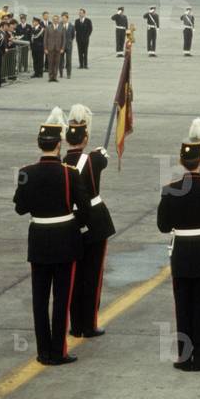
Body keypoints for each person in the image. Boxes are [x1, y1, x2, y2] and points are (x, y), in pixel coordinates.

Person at [12, 107, 91, 366]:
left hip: (39, 238)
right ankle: (58, 350)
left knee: (39, 298)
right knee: (61, 298)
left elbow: (20, 207)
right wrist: (74, 223)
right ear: (59, 144)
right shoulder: (70, 173)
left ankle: (43, 351)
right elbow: (85, 208)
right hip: (65, 238)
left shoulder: (26, 172)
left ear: (40, 144)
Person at [157, 118, 200, 371]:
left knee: (182, 306)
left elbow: (163, 226)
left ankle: (184, 357)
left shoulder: (170, 190)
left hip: (181, 253)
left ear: (181, 160)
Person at [63, 105, 116, 339]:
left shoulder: (62, 162)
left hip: (72, 223)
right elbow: (103, 161)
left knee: (75, 276)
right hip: (95, 222)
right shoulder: (94, 159)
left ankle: (76, 325)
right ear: (85, 138)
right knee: (93, 276)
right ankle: (90, 324)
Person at [44, 14, 65, 82]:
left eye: (56, 19)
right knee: (50, 63)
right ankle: (50, 77)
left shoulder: (62, 27)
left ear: (58, 20)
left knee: (56, 63)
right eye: (54, 19)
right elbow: (45, 38)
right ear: (52, 20)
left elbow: (64, 39)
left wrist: (62, 48)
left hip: (58, 49)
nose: (55, 20)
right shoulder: (48, 27)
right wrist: (45, 48)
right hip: (50, 48)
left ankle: (55, 77)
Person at [60, 12, 74, 79]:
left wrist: (69, 41)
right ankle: (61, 73)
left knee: (69, 60)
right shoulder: (59, 25)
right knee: (60, 60)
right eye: (62, 18)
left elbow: (73, 35)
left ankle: (68, 74)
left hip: (68, 45)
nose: (63, 19)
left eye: (64, 18)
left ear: (67, 18)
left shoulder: (71, 26)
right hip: (61, 46)